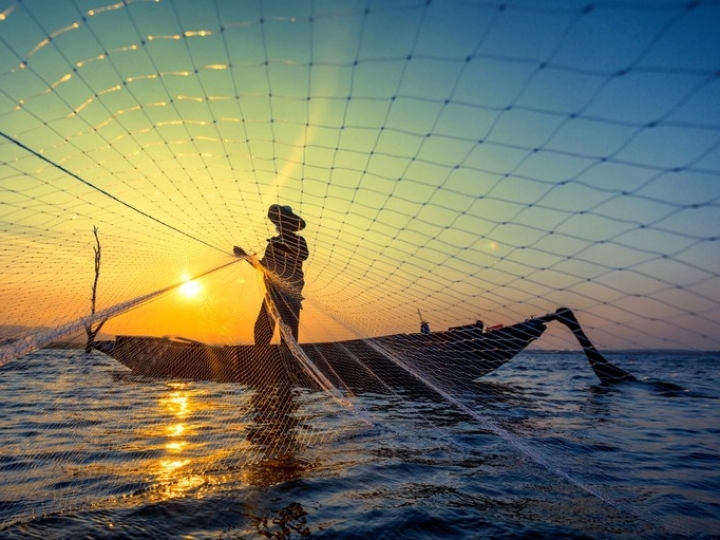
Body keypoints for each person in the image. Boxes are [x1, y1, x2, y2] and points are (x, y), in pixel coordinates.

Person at [235, 205, 309, 347]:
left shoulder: (299, 241)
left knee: (289, 336)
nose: (281, 225)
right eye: (279, 222)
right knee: (261, 331)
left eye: (284, 222)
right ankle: (263, 362)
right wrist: (245, 256)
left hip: (290, 297)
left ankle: (292, 364)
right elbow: (264, 267)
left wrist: (280, 246)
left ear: (292, 225)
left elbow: (303, 254)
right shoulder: (273, 244)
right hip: (272, 294)